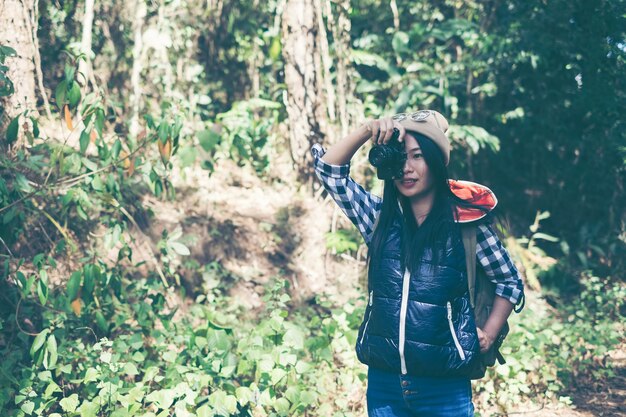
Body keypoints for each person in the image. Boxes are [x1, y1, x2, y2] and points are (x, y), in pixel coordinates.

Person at [311, 110, 524, 417]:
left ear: (437, 163)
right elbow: (329, 171)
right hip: (384, 384)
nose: (407, 168)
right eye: (400, 158)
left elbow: (510, 281)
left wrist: (489, 334)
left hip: (444, 387)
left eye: (417, 157)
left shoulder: (467, 226)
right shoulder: (379, 219)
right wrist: (367, 129)